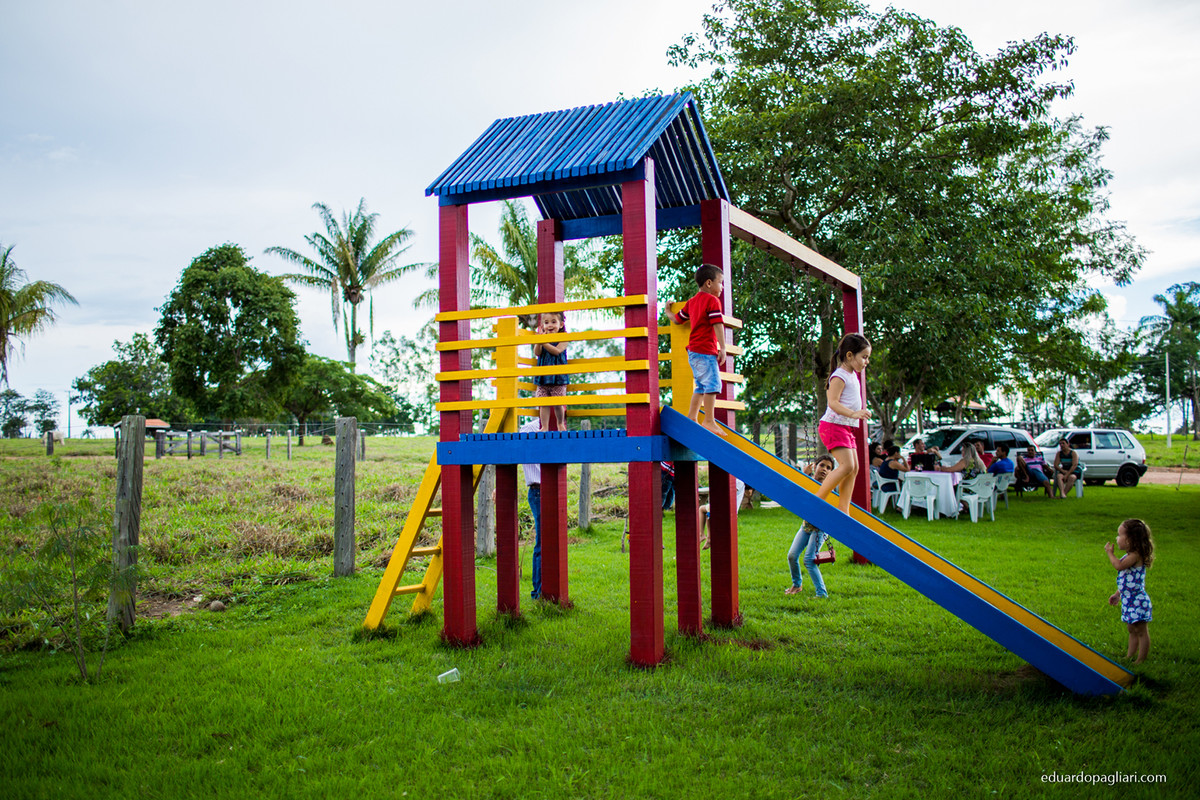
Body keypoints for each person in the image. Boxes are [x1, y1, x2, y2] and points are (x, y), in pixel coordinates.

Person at [814, 333, 872, 516]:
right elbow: (833, 402)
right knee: (846, 466)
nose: (866, 362)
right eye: (864, 357)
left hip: (844, 427)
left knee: (853, 468)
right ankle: (817, 499)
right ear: (849, 355)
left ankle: (843, 509)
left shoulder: (852, 375)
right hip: (832, 425)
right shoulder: (839, 375)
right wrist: (854, 413)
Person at [673, 264, 727, 435]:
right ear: (709, 283)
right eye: (721, 282)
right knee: (713, 384)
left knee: (701, 386)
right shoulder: (712, 301)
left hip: (693, 351)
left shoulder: (692, 302)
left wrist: (668, 311)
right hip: (704, 350)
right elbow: (717, 324)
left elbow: (677, 320)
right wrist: (723, 347)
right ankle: (709, 421)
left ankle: (692, 417)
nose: (722, 287)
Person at [1104, 518, 1154, 663]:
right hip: (1129, 600)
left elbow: (1118, 566)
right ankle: (1130, 655)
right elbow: (1126, 580)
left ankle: (1141, 660)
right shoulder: (1129, 555)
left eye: (1119, 535)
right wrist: (1117, 594)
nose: (1117, 538)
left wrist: (1110, 553)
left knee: (1141, 632)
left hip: (1138, 601)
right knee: (1132, 630)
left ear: (1131, 539)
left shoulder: (1135, 555)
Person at [787, 455, 835, 596]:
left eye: (828, 468)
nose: (824, 470)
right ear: (815, 466)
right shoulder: (807, 482)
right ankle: (797, 585)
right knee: (792, 556)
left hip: (819, 530)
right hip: (806, 526)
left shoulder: (829, 489)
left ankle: (822, 593)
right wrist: (805, 474)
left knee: (809, 559)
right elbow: (795, 490)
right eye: (822, 465)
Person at [519, 419, 544, 599]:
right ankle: (538, 590)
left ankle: (543, 589)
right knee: (543, 542)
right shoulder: (529, 429)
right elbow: (515, 453)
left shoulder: (559, 425)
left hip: (551, 488)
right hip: (538, 489)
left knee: (549, 540)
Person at [533, 311, 568, 432]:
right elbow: (537, 352)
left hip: (558, 377)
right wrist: (539, 342)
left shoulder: (564, 338)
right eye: (546, 322)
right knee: (543, 402)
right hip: (543, 376)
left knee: (558, 402)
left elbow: (557, 351)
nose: (550, 325)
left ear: (561, 324)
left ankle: (560, 424)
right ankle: (545, 427)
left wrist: (544, 342)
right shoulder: (542, 339)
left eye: (554, 322)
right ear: (542, 326)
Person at [699, 478, 746, 550]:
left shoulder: (738, 481)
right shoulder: (735, 480)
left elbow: (729, 494)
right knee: (705, 510)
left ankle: (705, 536)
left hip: (728, 509)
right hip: (725, 507)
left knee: (705, 510)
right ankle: (706, 536)